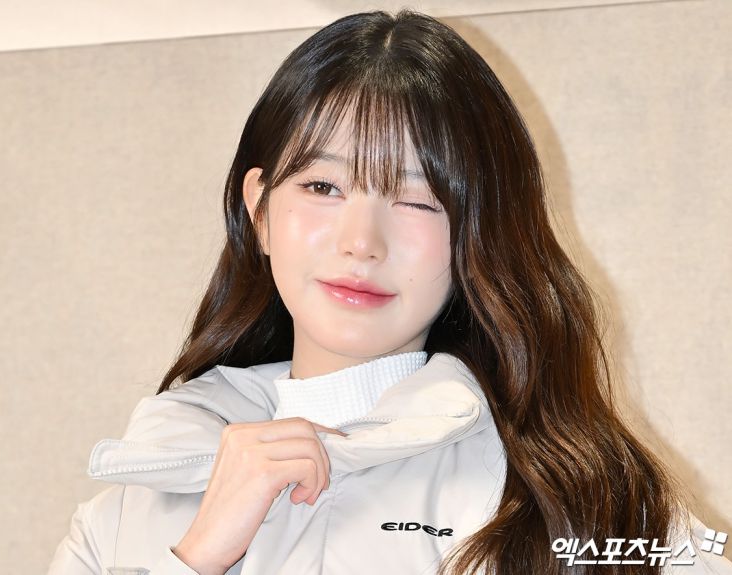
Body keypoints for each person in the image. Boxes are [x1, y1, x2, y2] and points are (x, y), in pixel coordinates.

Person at [48, 9, 731, 575]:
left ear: (479, 233)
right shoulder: (128, 512)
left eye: (416, 200)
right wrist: (197, 556)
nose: (361, 242)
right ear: (259, 209)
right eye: (323, 186)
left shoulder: (588, 506)